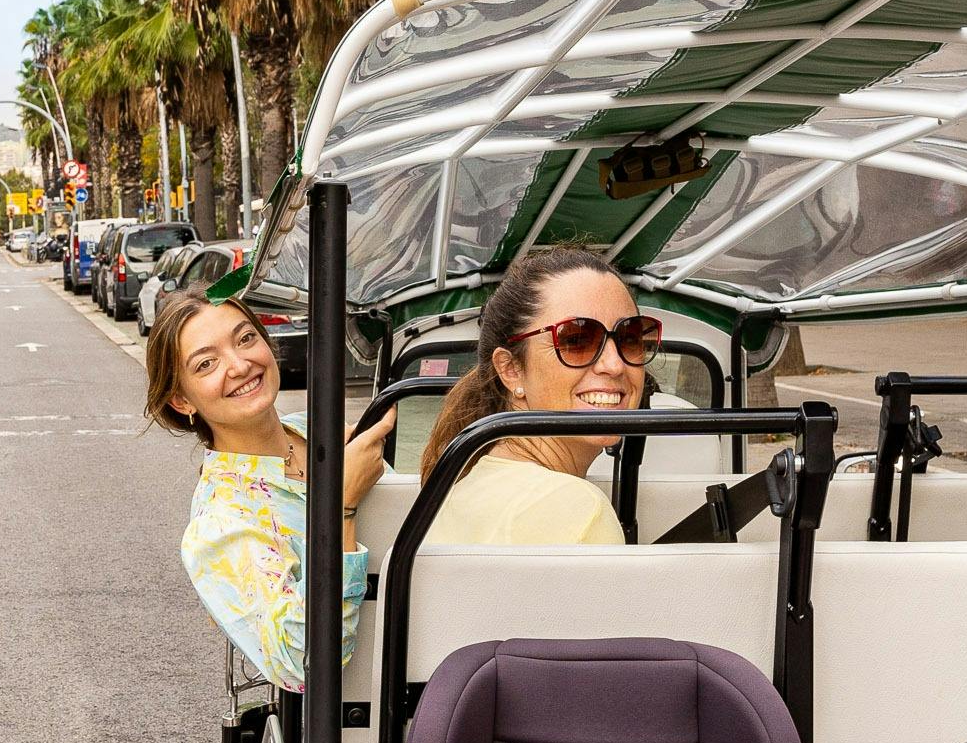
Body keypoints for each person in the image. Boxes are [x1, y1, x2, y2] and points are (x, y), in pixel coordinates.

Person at [149, 290, 395, 691]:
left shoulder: (324, 433)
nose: (239, 364)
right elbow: (300, 663)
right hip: (362, 723)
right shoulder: (218, 525)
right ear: (181, 399)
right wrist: (342, 508)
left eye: (246, 338)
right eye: (207, 363)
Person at [414, 247, 651, 545]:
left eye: (630, 338)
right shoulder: (577, 507)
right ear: (511, 369)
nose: (615, 365)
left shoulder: (459, 483)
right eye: (576, 340)